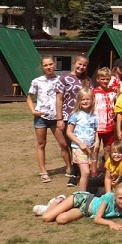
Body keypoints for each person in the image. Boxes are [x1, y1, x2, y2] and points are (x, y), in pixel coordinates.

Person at [27, 55, 69, 183]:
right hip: (41, 117)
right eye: (45, 65)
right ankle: (43, 172)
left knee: (63, 143)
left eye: (50, 64)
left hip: (56, 117)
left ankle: (69, 167)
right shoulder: (37, 81)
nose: (48, 67)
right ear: (42, 67)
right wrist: (33, 111)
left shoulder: (61, 79)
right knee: (41, 143)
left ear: (54, 64)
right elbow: (29, 98)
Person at [41, 183, 122, 229]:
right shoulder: (108, 197)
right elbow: (97, 219)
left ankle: (60, 207)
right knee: (46, 217)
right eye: (120, 198)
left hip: (84, 211)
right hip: (82, 199)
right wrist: (110, 223)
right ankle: (58, 200)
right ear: (115, 197)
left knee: (60, 220)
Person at [55, 54, 89, 187]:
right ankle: (74, 173)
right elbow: (59, 99)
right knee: (71, 145)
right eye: (80, 64)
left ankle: (80, 173)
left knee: (80, 145)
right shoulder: (64, 78)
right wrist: (59, 118)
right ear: (74, 63)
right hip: (67, 117)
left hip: (83, 118)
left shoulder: (87, 80)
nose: (81, 67)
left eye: (84, 65)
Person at [66, 89, 98, 192]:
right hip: (79, 148)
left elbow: (95, 130)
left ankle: (86, 191)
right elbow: (69, 132)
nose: (85, 101)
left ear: (92, 100)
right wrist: (80, 143)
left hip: (90, 148)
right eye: (83, 99)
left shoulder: (94, 115)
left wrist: (97, 141)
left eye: (87, 99)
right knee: (86, 172)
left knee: (87, 171)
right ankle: (82, 194)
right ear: (79, 101)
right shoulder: (75, 115)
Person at [92, 67, 117, 166]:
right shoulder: (94, 92)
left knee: (108, 148)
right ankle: (94, 169)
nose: (105, 81)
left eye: (107, 79)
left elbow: (116, 105)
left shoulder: (113, 92)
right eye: (102, 79)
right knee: (96, 147)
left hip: (109, 124)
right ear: (98, 79)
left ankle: (107, 168)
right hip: (97, 125)